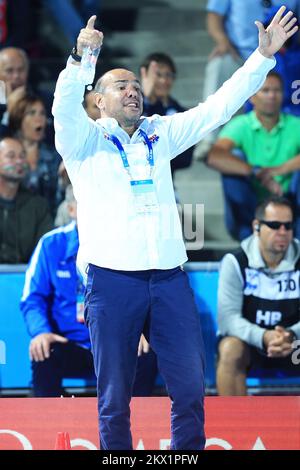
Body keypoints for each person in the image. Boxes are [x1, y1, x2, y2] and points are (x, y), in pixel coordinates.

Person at [52, 8, 297, 450]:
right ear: (100, 101)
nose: (131, 91)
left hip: (169, 280)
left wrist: (260, 59)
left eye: (134, 85)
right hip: (111, 282)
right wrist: (82, 61)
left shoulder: (160, 133)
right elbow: (64, 106)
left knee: (188, 389)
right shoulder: (83, 140)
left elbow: (217, 107)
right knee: (114, 398)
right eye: (120, 86)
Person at [217, 196, 300, 396]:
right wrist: (263, 337)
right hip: (252, 346)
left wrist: (291, 334)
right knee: (230, 349)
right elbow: (228, 319)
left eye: (287, 226)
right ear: (256, 226)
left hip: (295, 345)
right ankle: (234, 426)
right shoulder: (236, 262)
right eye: (274, 225)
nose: (282, 232)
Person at [206, 71, 300, 241]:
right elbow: (214, 156)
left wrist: (276, 171)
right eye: (265, 90)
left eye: (277, 90)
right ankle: (249, 238)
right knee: (232, 158)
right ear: (251, 97)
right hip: (251, 206)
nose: (271, 95)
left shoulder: (295, 124)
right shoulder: (240, 125)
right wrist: (255, 171)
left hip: (290, 204)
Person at [20, 186, 95, 396]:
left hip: (115, 344)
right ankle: (45, 422)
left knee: (145, 351)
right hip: (69, 344)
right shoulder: (51, 244)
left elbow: (142, 292)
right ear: (71, 210)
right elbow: (32, 300)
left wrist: (141, 331)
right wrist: (41, 332)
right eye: (86, 204)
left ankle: (137, 426)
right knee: (44, 349)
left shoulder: (122, 243)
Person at [140, 52, 194, 178]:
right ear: (145, 76)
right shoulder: (131, 109)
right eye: (158, 75)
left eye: (168, 75)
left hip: (166, 186)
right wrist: (147, 101)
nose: (163, 80)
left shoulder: (181, 113)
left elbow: (185, 160)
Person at [0, 136, 53, 264]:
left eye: (22, 156)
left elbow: (44, 254)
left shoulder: (38, 206)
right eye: (11, 156)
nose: (19, 161)